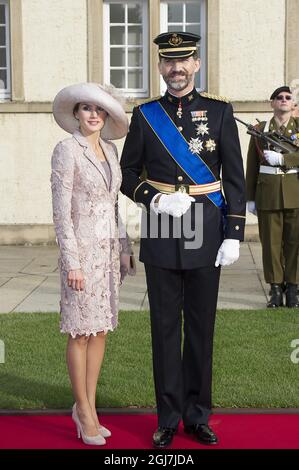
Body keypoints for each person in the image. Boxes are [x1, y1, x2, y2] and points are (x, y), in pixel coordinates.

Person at [120, 32, 246, 448]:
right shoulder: (145, 115)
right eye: (168, 61)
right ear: (160, 67)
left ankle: (198, 415)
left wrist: (233, 234)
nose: (176, 68)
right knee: (163, 329)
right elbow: (127, 174)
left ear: (196, 64)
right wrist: (153, 198)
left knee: (200, 329)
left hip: (206, 229)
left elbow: (235, 180)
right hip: (161, 227)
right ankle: (168, 418)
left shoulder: (221, 112)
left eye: (184, 60)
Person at [51, 83, 134, 446]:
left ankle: (91, 407)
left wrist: (125, 246)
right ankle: (82, 411)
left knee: (99, 330)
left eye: (99, 110)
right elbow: (61, 213)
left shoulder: (112, 151)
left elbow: (114, 205)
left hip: (107, 256)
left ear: (107, 116)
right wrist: (72, 262)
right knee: (80, 332)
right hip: (81, 257)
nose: (93, 115)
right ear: (76, 113)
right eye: (87, 109)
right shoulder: (66, 151)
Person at [246, 86, 299, 308]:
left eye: (288, 98)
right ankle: (275, 289)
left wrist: (284, 160)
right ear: (272, 103)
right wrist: (249, 197)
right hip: (267, 193)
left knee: (295, 243)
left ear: (293, 104)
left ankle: (294, 289)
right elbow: (251, 165)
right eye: (279, 97)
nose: (284, 100)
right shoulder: (260, 130)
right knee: (270, 244)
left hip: (295, 192)